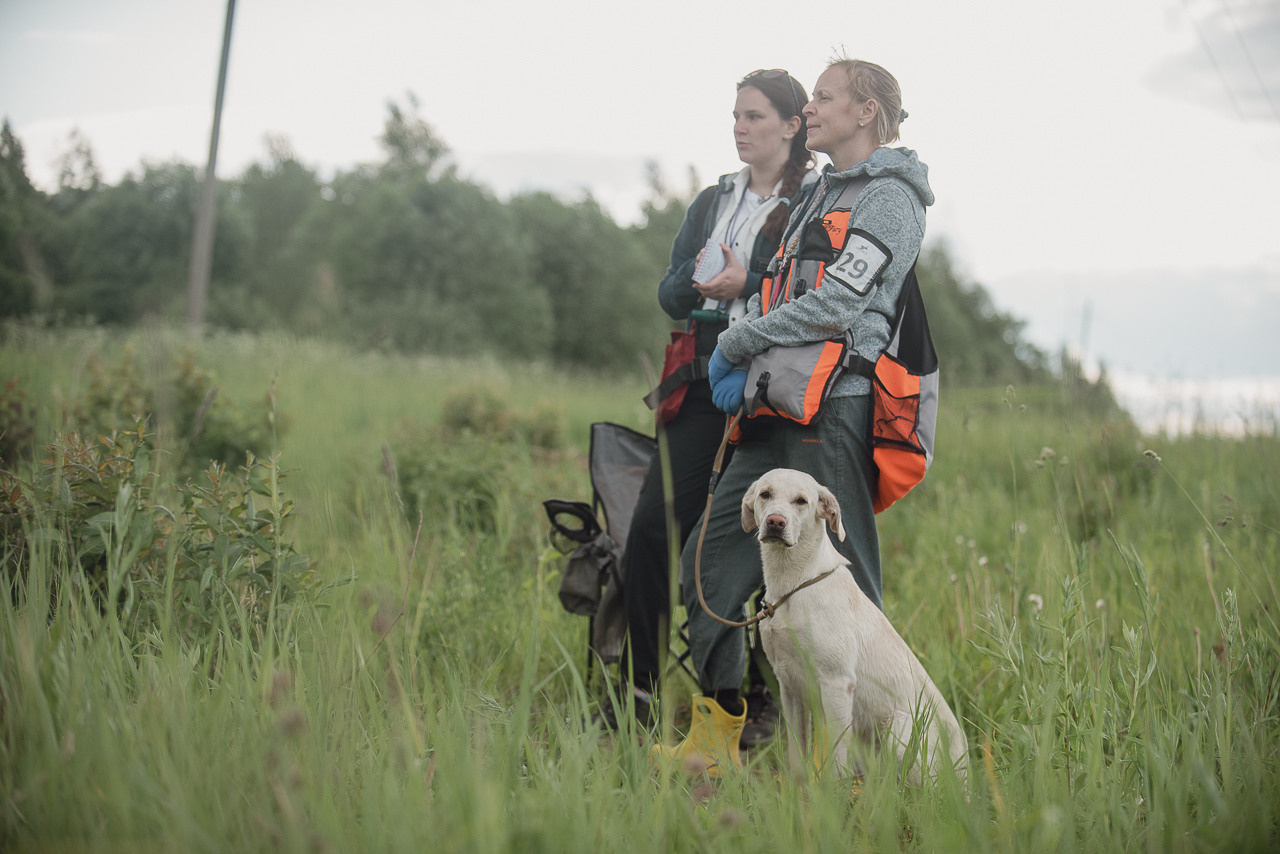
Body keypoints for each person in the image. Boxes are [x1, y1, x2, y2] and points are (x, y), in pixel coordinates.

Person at [650, 56, 934, 776]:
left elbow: (841, 300)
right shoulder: (818, 193)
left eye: (827, 98)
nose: (812, 108)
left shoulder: (892, 197)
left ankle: (879, 763)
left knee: (853, 586)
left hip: (836, 409)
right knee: (710, 567)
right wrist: (745, 362)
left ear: (866, 110)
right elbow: (780, 289)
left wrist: (739, 340)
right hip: (771, 407)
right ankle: (719, 735)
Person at [613, 69, 817, 734]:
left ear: (792, 125)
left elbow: (810, 290)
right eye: (736, 115)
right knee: (649, 530)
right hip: (699, 380)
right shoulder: (711, 199)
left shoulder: (810, 202)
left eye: (755, 116)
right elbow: (671, 292)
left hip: (769, 387)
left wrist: (745, 281)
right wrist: (705, 283)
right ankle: (636, 693)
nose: (740, 127)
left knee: (753, 538)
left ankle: (752, 700)